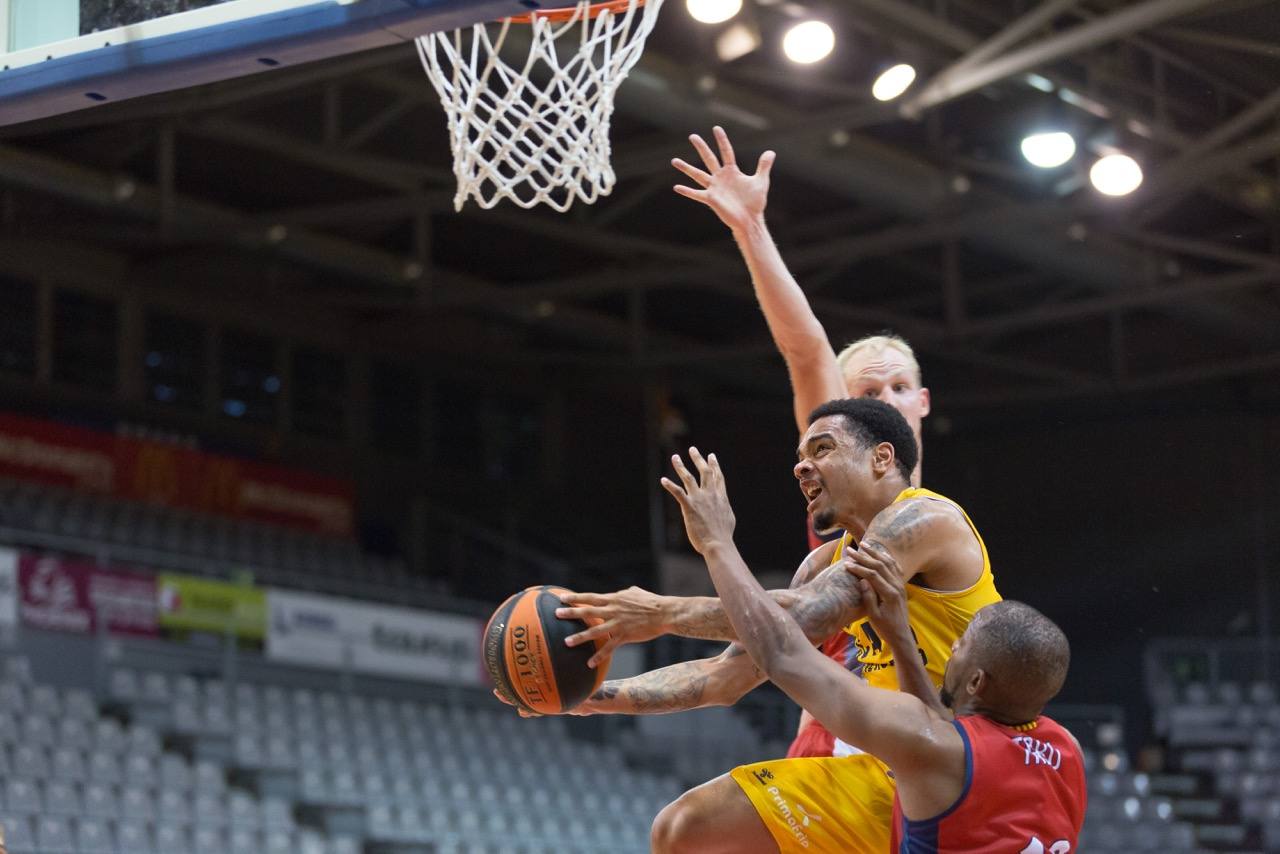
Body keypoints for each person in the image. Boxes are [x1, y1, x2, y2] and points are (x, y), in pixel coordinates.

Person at [516, 398, 1003, 853]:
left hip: (959, 769)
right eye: (799, 455)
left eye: (823, 448)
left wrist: (667, 607)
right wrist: (586, 698)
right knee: (683, 828)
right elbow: (724, 679)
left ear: (881, 458)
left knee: (686, 825)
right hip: (892, 772)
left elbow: (798, 620)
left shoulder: (926, 517)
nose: (801, 466)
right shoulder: (820, 565)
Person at [658, 444, 1085, 853]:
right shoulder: (1067, 752)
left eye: (962, 645)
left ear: (977, 680)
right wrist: (899, 633)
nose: (954, 645)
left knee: (682, 827)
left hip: (881, 788)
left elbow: (783, 653)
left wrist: (715, 545)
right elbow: (936, 728)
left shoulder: (934, 749)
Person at [677, 125, 933, 759]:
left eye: (900, 387)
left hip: (914, 725)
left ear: (924, 403)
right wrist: (750, 228)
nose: (886, 403)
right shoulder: (845, 462)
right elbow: (804, 345)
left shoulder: (938, 513)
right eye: (867, 395)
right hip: (839, 722)